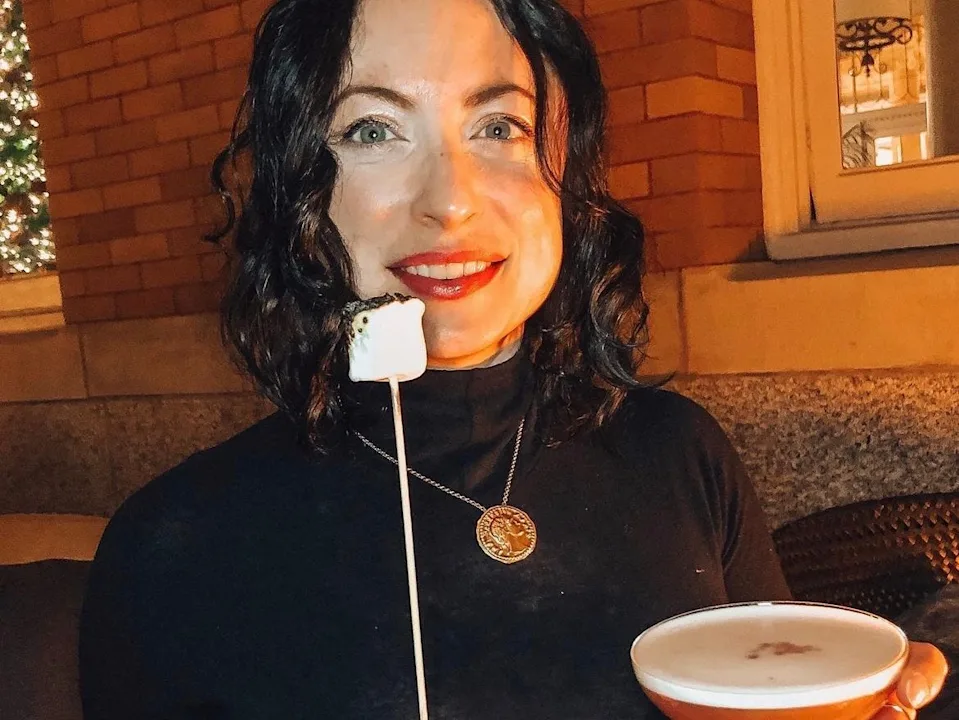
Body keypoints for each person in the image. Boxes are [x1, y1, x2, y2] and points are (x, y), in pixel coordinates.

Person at [78, 0, 947, 717]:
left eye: (499, 124)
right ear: (297, 184)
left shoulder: (679, 452)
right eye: (372, 130)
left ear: (565, 171)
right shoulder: (173, 544)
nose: (450, 201)